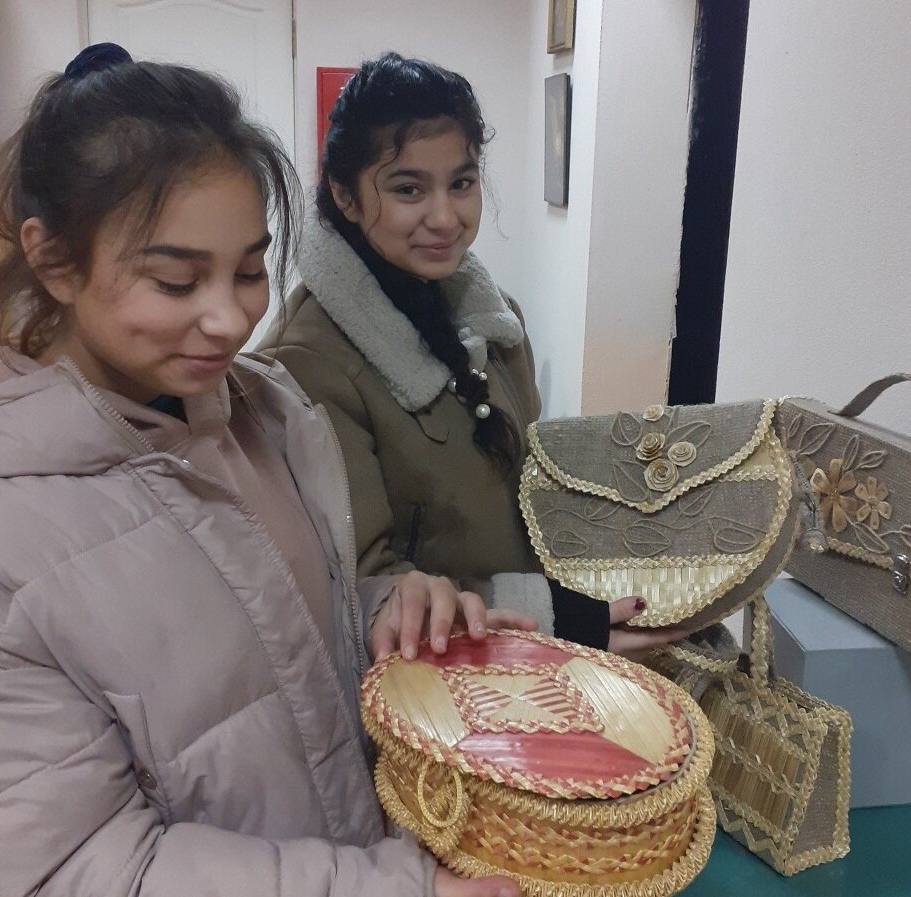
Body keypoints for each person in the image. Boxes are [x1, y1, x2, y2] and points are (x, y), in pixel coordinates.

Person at [0, 45, 531, 897]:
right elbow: (74, 867)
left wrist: (386, 607)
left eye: (251, 270)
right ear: (56, 261)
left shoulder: (262, 413)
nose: (229, 319)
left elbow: (286, 636)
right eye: (176, 280)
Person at [260, 52, 682, 655]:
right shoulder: (305, 362)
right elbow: (364, 587)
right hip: (431, 682)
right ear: (344, 196)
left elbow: (531, 493)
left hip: (527, 661)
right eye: (408, 189)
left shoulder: (496, 322)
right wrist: (562, 620)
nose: (445, 217)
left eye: (461, 183)